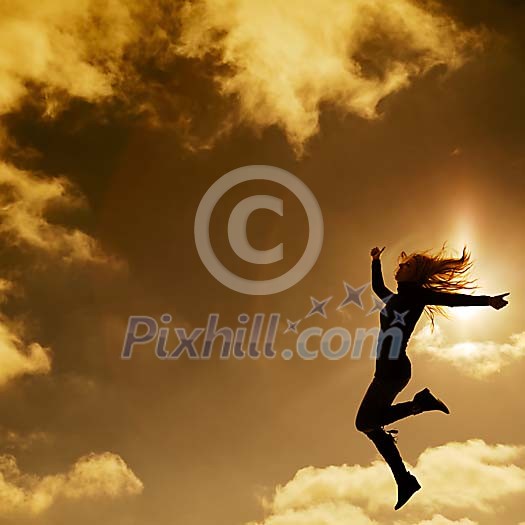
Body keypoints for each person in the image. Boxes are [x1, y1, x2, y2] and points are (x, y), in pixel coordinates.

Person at [355, 244, 509, 510]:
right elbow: (378, 289)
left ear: (415, 275)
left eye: (407, 266)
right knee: (369, 424)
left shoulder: (416, 295)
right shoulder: (394, 298)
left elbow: (451, 299)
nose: (400, 266)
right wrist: (375, 261)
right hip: (386, 370)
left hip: (394, 370)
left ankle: (419, 414)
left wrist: (487, 301)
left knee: (365, 423)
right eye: (401, 264)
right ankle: (405, 478)